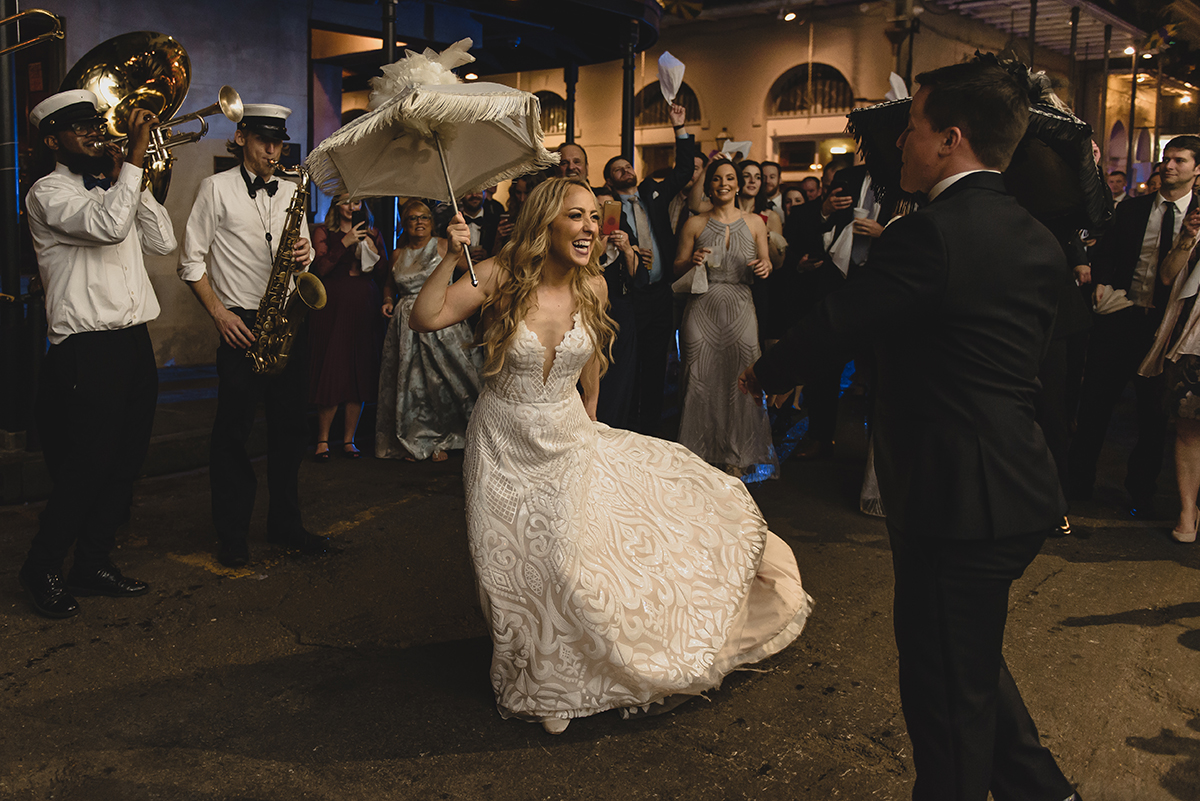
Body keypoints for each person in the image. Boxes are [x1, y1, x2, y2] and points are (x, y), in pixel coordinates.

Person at [741, 58, 1080, 801]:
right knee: (968, 662)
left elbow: (843, 318)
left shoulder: (931, 236)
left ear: (950, 139)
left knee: (946, 699)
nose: (902, 144)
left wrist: (766, 372)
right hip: (1010, 485)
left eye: (914, 127)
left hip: (959, 498)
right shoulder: (1038, 239)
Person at [409, 176, 812, 735]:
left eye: (592, 218)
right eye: (575, 217)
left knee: (569, 561)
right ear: (546, 222)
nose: (589, 228)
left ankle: (569, 674)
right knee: (515, 568)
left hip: (568, 434)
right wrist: (451, 257)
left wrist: (593, 415)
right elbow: (425, 317)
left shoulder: (592, 285)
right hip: (503, 441)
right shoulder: (500, 274)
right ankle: (544, 678)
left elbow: (591, 354)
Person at [18, 90, 176, 618]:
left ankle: (91, 562)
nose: (93, 133)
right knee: (87, 467)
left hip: (134, 341)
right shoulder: (47, 193)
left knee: (125, 463)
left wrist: (134, 175)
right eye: (78, 128)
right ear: (52, 139)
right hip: (86, 349)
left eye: (95, 125)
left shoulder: (116, 187)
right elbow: (108, 228)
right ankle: (40, 566)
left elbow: (162, 242)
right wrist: (132, 158)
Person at [178, 103, 327, 568]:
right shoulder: (214, 188)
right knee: (233, 435)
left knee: (290, 431)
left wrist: (305, 255)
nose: (272, 151)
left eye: (278, 142)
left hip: (286, 319)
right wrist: (220, 315)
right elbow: (191, 262)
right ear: (241, 137)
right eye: (263, 141)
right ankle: (232, 534)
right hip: (241, 323)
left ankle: (285, 523)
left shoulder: (291, 189)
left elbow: (303, 260)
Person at [1068, 136, 1200, 516]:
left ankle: (1140, 492)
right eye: (1166, 159)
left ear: (1196, 169)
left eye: (1179, 160)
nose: (1169, 166)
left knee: (1153, 417)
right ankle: (1078, 484)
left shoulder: (1196, 216)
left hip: (1166, 330)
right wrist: (1103, 287)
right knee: (1095, 405)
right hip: (1121, 318)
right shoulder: (1131, 210)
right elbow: (1105, 254)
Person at [674, 159, 777, 478]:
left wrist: (764, 267)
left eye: (730, 178)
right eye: (717, 178)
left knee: (742, 380)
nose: (724, 183)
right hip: (702, 306)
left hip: (741, 306)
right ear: (709, 185)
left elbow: (767, 263)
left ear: (737, 184)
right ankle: (699, 454)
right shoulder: (695, 223)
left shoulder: (757, 222)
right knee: (699, 381)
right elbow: (676, 269)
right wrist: (691, 261)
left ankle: (738, 453)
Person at [600, 103, 696, 435]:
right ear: (610, 182)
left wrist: (679, 128)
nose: (625, 170)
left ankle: (652, 429)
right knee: (629, 364)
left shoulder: (653, 194)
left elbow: (684, 171)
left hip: (661, 294)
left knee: (657, 363)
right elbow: (606, 254)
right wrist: (623, 244)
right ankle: (624, 427)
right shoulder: (610, 209)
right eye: (617, 169)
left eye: (628, 165)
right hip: (630, 297)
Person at [376, 200, 483, 461]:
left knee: (451, 381)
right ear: (404, 223)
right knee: (413, 385)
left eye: (424, 217)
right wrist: (388, 300)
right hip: (406, 326)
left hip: (442, 322)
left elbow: (472, 275)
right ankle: (418, 436)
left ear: (432, 222)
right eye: (412, 218)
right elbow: (390, 284)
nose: (419, 222)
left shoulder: (444, 245)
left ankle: (454, 435)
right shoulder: (398, 253)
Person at [308, 199, 387, 460]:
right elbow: (320, 268)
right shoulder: (323, 231)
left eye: (356, 202)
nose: (351, 206)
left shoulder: (373, 232)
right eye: (345, 202)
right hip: (333, 305)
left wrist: (373, 249)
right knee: (332, 367)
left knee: (359, 371)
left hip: (364, 304)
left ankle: (348, 440)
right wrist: (344, 242)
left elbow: (385, 274)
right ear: (336, 205)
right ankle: (322, 440)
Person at [1140, 206, 1200, 541]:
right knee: (1189, 429)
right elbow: (1166, 276)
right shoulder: (1194, 232)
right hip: (1192, 344)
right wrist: (1186, 241)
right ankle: (1187, 511)